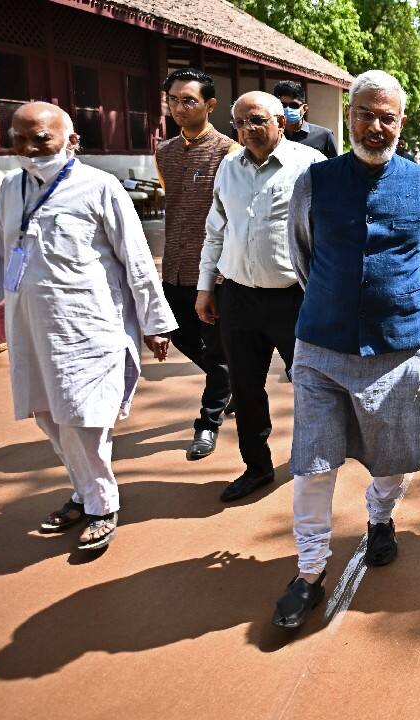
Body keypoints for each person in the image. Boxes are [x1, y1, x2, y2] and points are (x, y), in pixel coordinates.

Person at [0, 102, 175, 550]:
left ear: (71, 141)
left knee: (84, 420)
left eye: (42, 138)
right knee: (50, 417)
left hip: (89, 328)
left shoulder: (100, 187)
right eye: (19, 139)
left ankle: (102, 504)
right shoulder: (11, 189)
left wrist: (154, 322)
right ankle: (83, 491)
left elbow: (137, 259)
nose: (30, 149)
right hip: (30, 329)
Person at [272, 70, 420, 628]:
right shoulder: (314, 182)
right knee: (313, 465)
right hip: (321, 345)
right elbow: (303, 256)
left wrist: (392, 300)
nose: (376, 126)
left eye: (387, 117)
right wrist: (335, 298)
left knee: (392, 460)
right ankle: (309, 570)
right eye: (365, 114)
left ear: (401, 122)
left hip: (398, 349)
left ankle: (380, 518)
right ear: (349, 117)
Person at [195, 91, 327, 502]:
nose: (246, 130)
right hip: (237, 298)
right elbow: (216, 228)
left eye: (256, 121)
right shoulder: (228, 167)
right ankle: (257, 466)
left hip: (295, 300)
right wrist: (205, 288)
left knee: (310, 386)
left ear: (280, 122)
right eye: (239, 123)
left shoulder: (310, 167)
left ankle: (315, 458)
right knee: (246, 388)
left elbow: (329, 233)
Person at [156, 68, 237, 462]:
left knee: (217, 350)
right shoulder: (164, 152)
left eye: (188, 100)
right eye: (172, 99)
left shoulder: (229, 152)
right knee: (179, 336)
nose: (178, 107)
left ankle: (207, 423)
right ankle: (231, 382)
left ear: (210, 104)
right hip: (173, 266)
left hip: (215, 271)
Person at [272, 80, 337, 159]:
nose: (288, 109)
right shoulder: (271, 135)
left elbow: (334, 168)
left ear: (305, 108)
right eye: (283, 105)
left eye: (294, 105)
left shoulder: (324, 136)